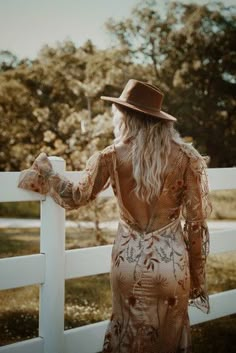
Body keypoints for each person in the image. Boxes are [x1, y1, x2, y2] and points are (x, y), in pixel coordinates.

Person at [18, 79, 212, 353]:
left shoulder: (111, 156)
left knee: (127, 337)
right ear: (161, 121)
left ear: (126, 117)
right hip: (172, 266)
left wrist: (47, 174)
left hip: (127, 264)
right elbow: (196, 225)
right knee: (169, 340)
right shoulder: (186, 158)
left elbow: (75, 196)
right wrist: (197, 277)